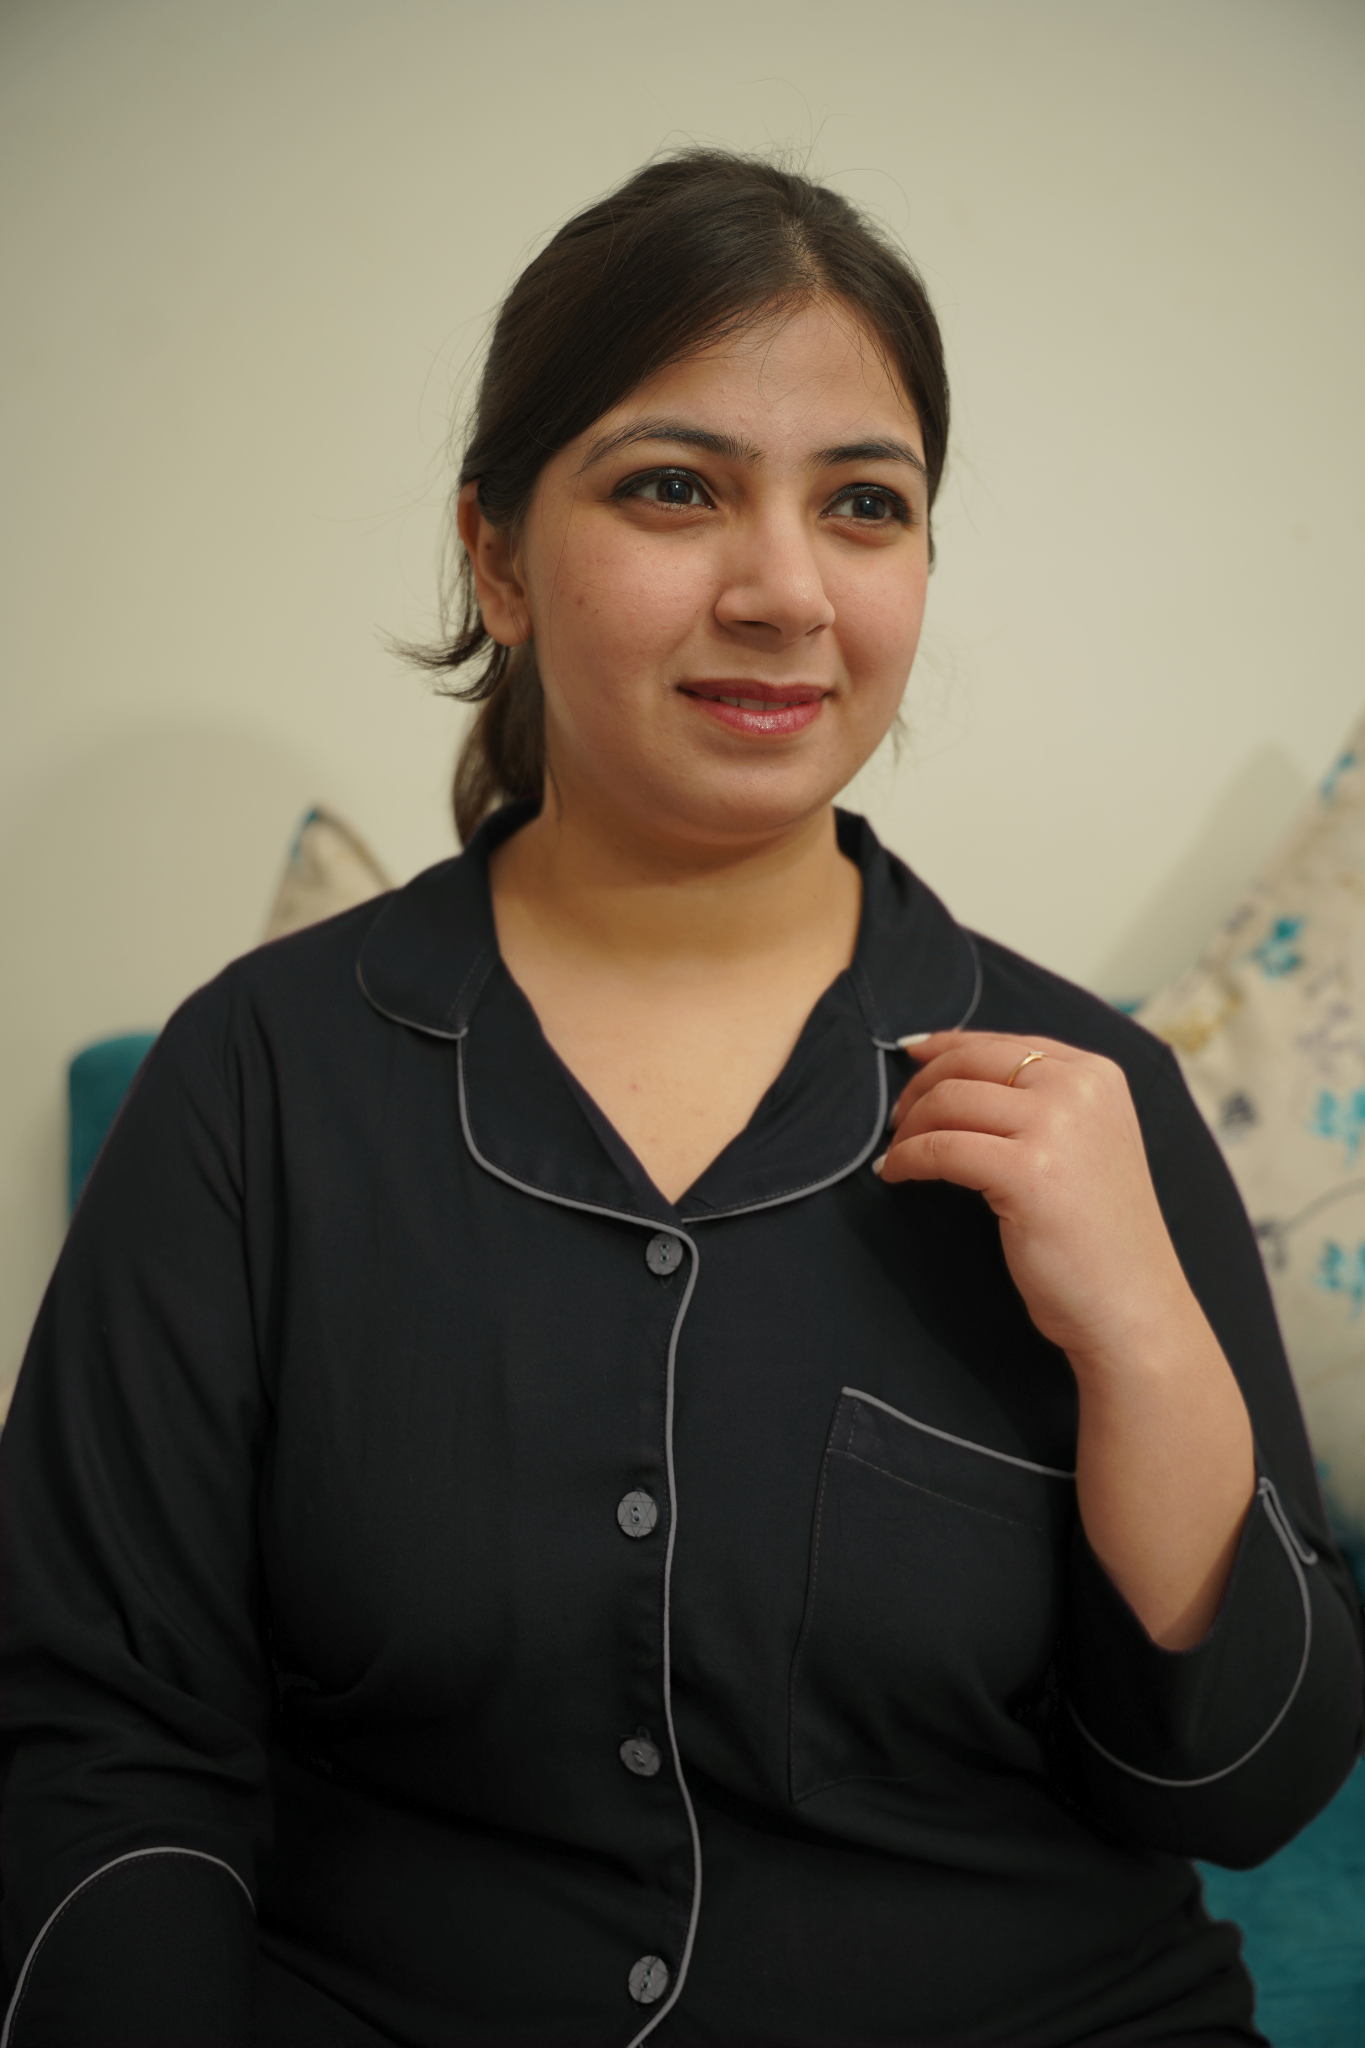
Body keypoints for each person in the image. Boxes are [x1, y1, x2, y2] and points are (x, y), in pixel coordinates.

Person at [0, 150, 1360, 2048]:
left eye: (864, 505)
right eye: (674, 488)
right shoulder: (254, 1080)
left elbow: (1245, 1785)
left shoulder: (1089, 1097)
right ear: (496, 558)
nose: (784, 591)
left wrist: (1145, 1336)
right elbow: (99, 1740)